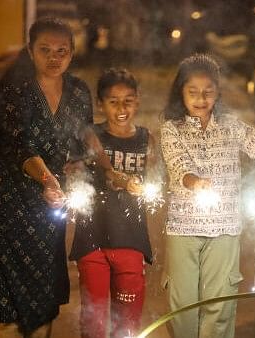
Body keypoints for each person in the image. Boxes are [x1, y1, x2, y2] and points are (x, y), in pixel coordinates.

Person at [0, 18, 94, 337]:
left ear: (73, 52)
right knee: (9, 286)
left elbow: (82, 143)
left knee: (42, 283)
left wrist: (78, 168)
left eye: (62, 51)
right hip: (7, 198)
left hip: (47, 202)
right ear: (30, 51)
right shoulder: (17, 90)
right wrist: (47, 179)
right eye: (45, 50)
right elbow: (19, 144)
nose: (54, 58)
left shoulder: (79, 91)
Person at [160, 54, 255, 338]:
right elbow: (178, 163)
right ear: (180, 92)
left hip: (225, 227)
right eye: (192, 92)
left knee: (220, 302)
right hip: (184, 227)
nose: (201, 99)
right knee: (183, 303)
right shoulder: (172, 129)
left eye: (208, 92)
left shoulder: (232, 126)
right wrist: (194, 182)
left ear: (217, 92)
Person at [69, 68, 160, 338]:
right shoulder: (90, 136)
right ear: (100, 103)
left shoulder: (147, 140)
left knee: (127, 325)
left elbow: (156, 181)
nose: (121, 107)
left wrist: (146, 187)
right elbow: (93, 169)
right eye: (113, 101)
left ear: (138, 101)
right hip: (92, 240)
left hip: (131, 242)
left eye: (128, 100)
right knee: (94, 323)